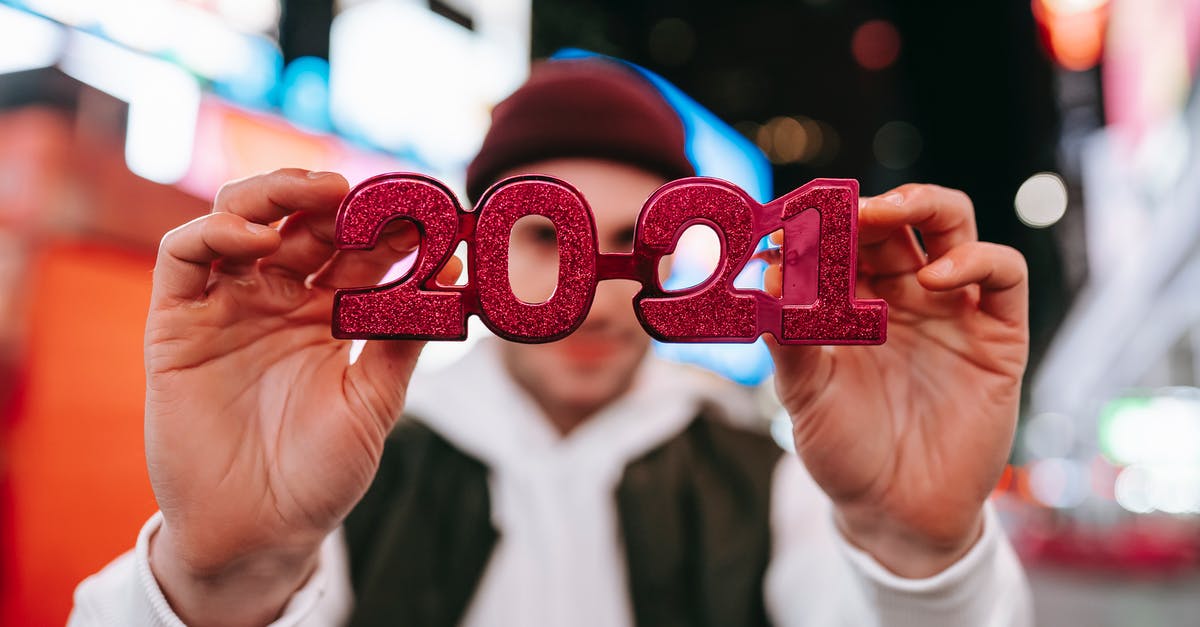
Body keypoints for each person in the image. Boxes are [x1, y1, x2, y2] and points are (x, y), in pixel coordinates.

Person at [70, 57, 1032, 626]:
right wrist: (218, 577)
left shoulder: (777, 477)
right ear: (475, 242)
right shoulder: (352, 467)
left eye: (638, 242)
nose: (597, 298)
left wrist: (922, 555)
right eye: (548, 233)